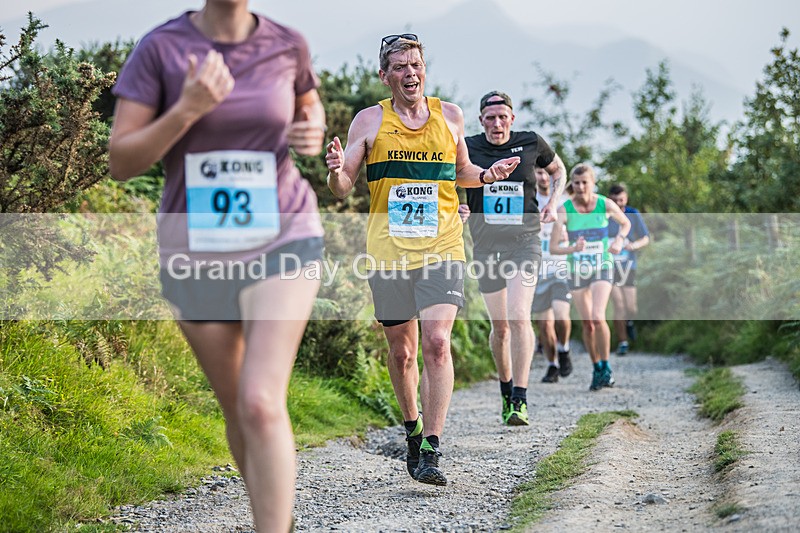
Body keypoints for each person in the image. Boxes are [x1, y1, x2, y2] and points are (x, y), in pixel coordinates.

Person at [109, 1, 326, 530]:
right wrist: (186, 109)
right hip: (197, 251)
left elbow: (309, 104)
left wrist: (312, 129)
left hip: (284, 235)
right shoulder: (161, 48)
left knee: (259, 400)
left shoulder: (286, 42)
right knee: (237, 409)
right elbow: (121, 160)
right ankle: (274, 518)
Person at [325, 35, 519, 486]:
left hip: (443, 246)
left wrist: (486, 175)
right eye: (400, 67)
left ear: (424, 69)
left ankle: (431, 446)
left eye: (416, 65)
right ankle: (412, 427)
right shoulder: (369, 120)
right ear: (384, 75)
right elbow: (343, 185)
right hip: (389, 251)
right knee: (403, 351)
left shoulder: (450, 115)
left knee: (435, 341)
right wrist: (336, 169)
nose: (410, 73)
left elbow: (462, 172)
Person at [462, 91, 566, 424]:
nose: (496, 123)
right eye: (489, 118)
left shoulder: (530, 142)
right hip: (486, 245)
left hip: (525, 241)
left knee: (519, 315)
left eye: (502, 117)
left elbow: (558, 170)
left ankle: (520, 399)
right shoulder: (467, 145)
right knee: (501, 328)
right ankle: (506, 389)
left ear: (512, 118)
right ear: (481, 120)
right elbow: (447, 180)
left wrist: (553, 203)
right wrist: (457, 207)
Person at [549, 164, 630, 391]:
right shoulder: (565, 210)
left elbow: (626, 223)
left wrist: (618, 240)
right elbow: (555, 248)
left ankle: (606, 367)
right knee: (587, 323)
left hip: (602, 266)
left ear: (593, 183)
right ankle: (596, 367)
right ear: (572, 185)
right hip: (577, 270)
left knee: (597, 316)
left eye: (585, 182)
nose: (581, 187)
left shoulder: (605, 204)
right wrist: (573, 248)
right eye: (576, 183)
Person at [531, 166, 573, 384]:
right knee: (544, 324)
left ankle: (564, 348)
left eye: (547, 172)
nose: (543, 177)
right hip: (537, 270)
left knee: (561, 316)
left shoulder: (565, 201)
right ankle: (552, 364)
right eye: (539, 172)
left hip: (560, 268)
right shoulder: (529, 198)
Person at [607, 183, 650, 355]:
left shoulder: (633, 214)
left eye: (622, 201)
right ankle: (623, 342)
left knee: (631, 307)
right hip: (608, 267)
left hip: (628, 266)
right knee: (619, 305)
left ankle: (629, 322)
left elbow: (646, 238)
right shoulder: (602, 215)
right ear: (609, 199)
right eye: (615, 201)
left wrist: (634, 245)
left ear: (626, 199)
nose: (619, 204)